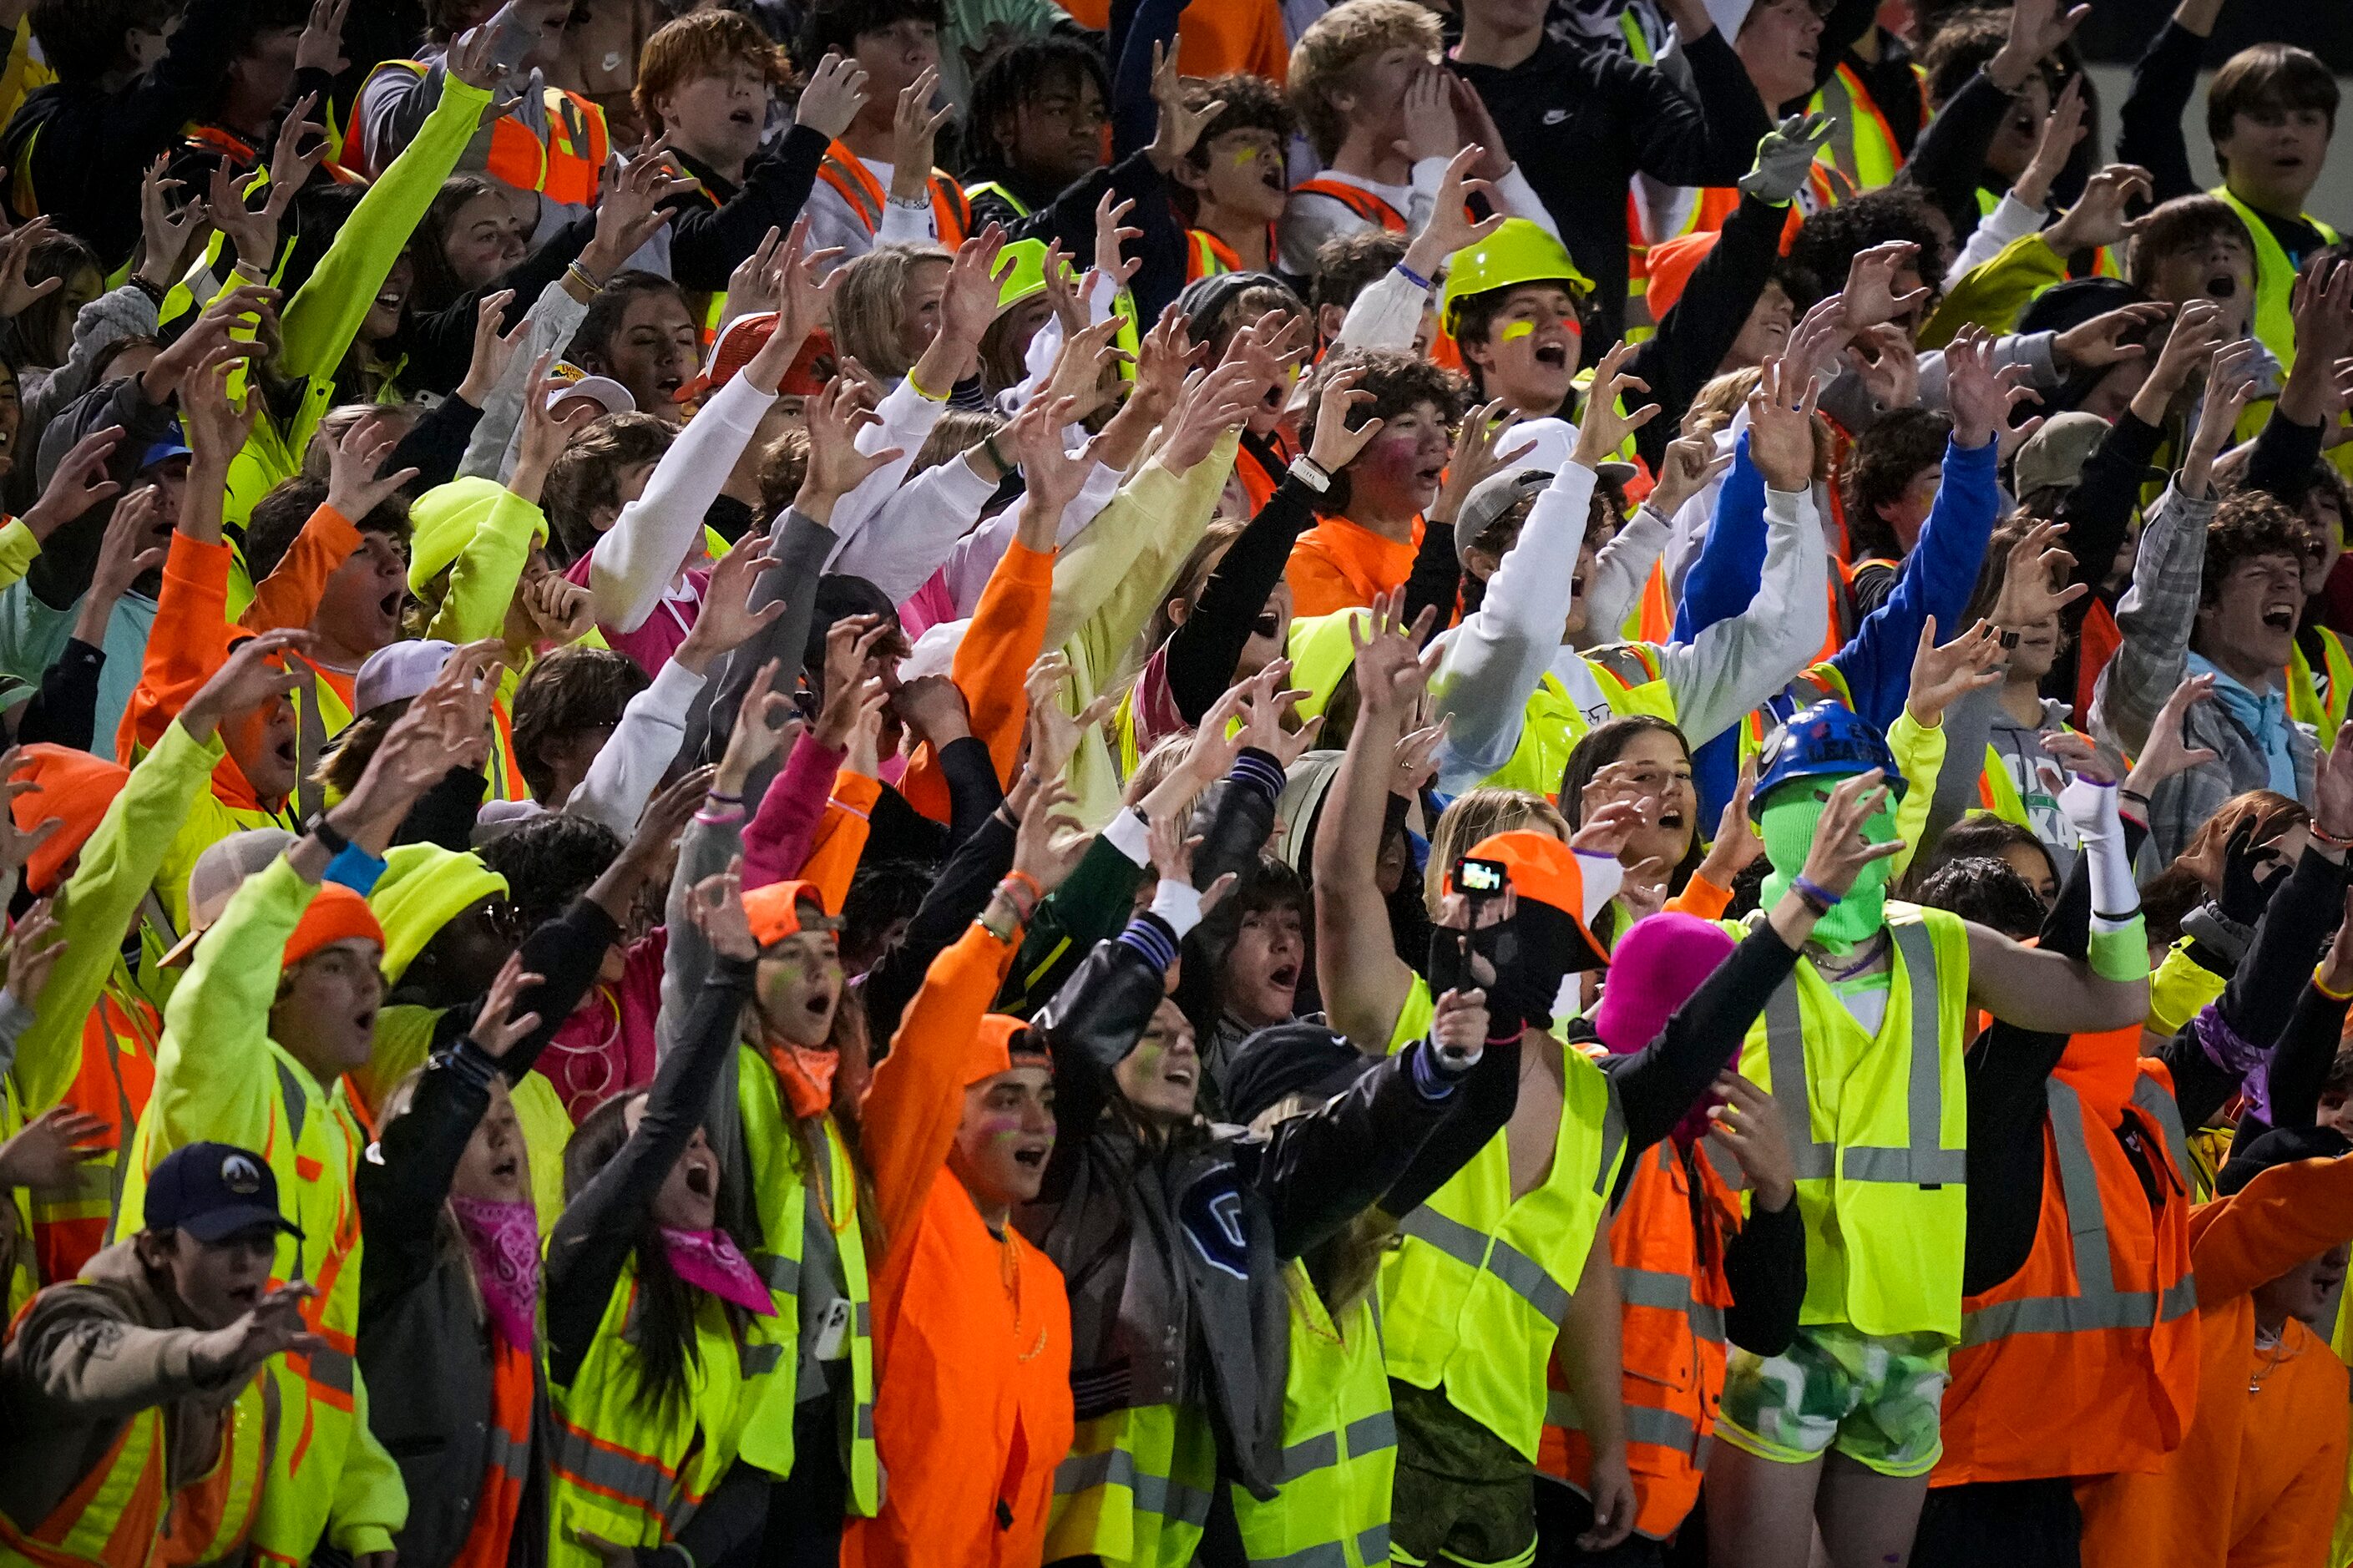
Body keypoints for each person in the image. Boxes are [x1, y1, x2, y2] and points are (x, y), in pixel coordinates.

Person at [1702, 701, 2149, 1568]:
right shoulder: (1723, 956)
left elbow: (2113, 999)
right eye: (1823, 802)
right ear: (1776, 822)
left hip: (1909, 1331)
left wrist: (2100, 835)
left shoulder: (1936, 943)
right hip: (1773, 1329)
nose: (1849, 822)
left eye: (1867, 800)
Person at [112, 645, 495, 1568]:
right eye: (336, 967)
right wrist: (354, 820)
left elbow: (328, 1348)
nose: (370, 988)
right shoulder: (215, 1068)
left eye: (373, 968)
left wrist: (363, 1511)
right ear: (272, 983)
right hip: (172, 1524)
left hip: (284, 1533)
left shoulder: (330, 1119)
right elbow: (233, 967)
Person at [838, 772, 1080, 1565]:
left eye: (1043, 1098)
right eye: (1005, 1097)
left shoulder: (1045, 1286)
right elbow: (937, 1019)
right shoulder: (904, 1204)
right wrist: (1013, 901)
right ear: (943, 1114)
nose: (1036, 1121)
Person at [544, 862, 792, 1568]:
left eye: (704, 1144)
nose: (701, 1150)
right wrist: (729, 977)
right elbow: (665, 1122)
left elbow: (749, 1481)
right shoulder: (586, 1272)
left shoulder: (737, 1310)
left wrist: (669, 1564)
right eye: (672, 1140)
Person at [0, 1141, 318, 1568]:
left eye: (261, 1242)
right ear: (155, 1249)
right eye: (221, 1241)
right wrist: (205, 1353)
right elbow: (87, 1358)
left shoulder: (255, 1388)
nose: (247, 1262)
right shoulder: (65, 1318)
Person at [2118, 0, 2341, 372]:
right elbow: (2148, 117)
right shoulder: (2191, 226)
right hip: (2221, 426)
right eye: (2267, 118)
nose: (2288, 134)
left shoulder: (2337, 248)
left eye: (2307, 119)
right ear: (2222, 136)